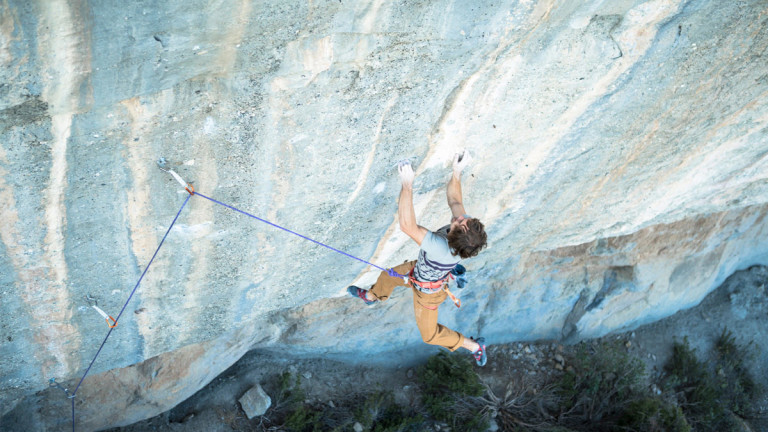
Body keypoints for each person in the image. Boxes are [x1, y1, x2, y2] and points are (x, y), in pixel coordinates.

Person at [348, 150, 489, 366]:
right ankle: (372, 297)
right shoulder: (464, 232)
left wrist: (407, 185)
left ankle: (474, 346)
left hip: (428, 295)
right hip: (418, 271)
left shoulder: (441, 247)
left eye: (459, 222)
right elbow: (454, 200)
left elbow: (407, 226)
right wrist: (457, 172)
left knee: (429, 336)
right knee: (388, 276)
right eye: (464, 220)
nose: (461, 216)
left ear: (454, 236)